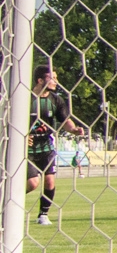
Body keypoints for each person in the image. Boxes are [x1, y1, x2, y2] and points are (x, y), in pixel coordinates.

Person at [27, 65, 82, 226]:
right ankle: (7, 202)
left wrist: (74, 129)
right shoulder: (25, 98)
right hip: (26, 148)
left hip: (46, 146)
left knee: (50, 181)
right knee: (32, 183)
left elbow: (65, 120)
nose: (56, 82)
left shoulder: (55, 99)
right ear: (40, 80)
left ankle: (43, 215)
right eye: (53, 78)